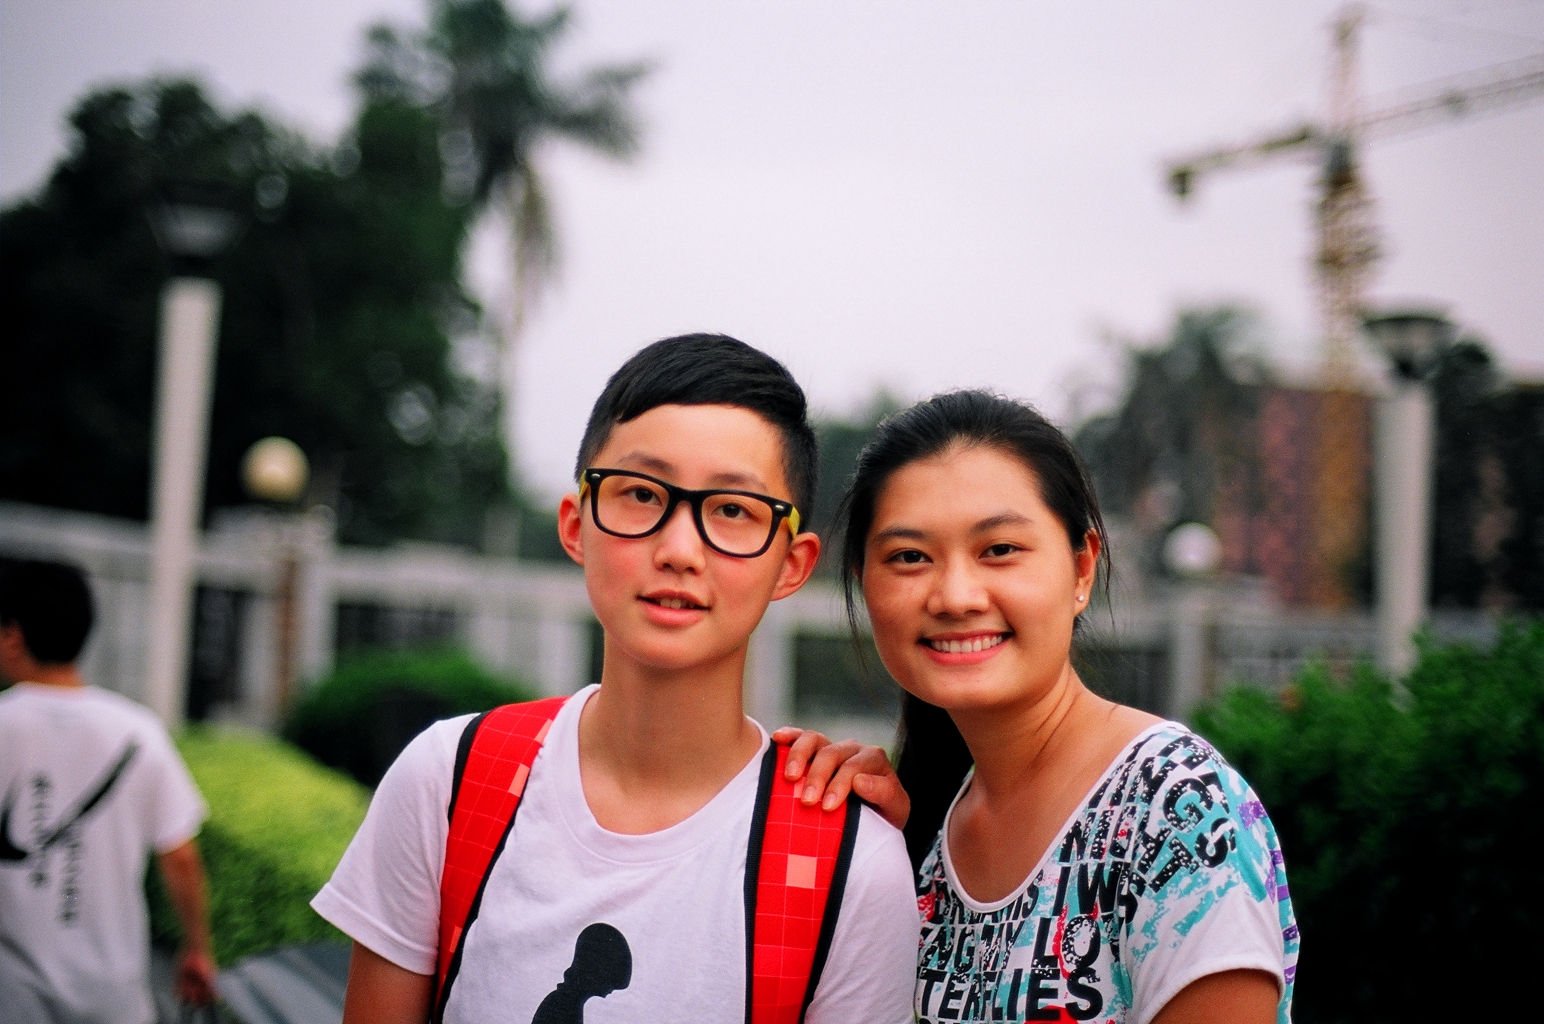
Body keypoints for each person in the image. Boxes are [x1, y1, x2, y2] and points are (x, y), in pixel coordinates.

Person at [312, 334, 919, 1023]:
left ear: (793, 563)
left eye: (732, 510)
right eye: (639, 493)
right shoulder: (449, 782)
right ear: (576, 525)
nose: (680, 549)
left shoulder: (851, 865)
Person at [784, 390, 1299, 1023]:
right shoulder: (918, 831)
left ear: (1082, 570)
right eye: (910, 557)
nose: (955, 596)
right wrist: (855, 836)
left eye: (999, 549)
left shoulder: (1173, 807)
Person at [0, 559, 216, 1024]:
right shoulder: (138, 731)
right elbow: (179, 856)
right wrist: (197, 949)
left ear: (12, 634)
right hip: (114, 996)